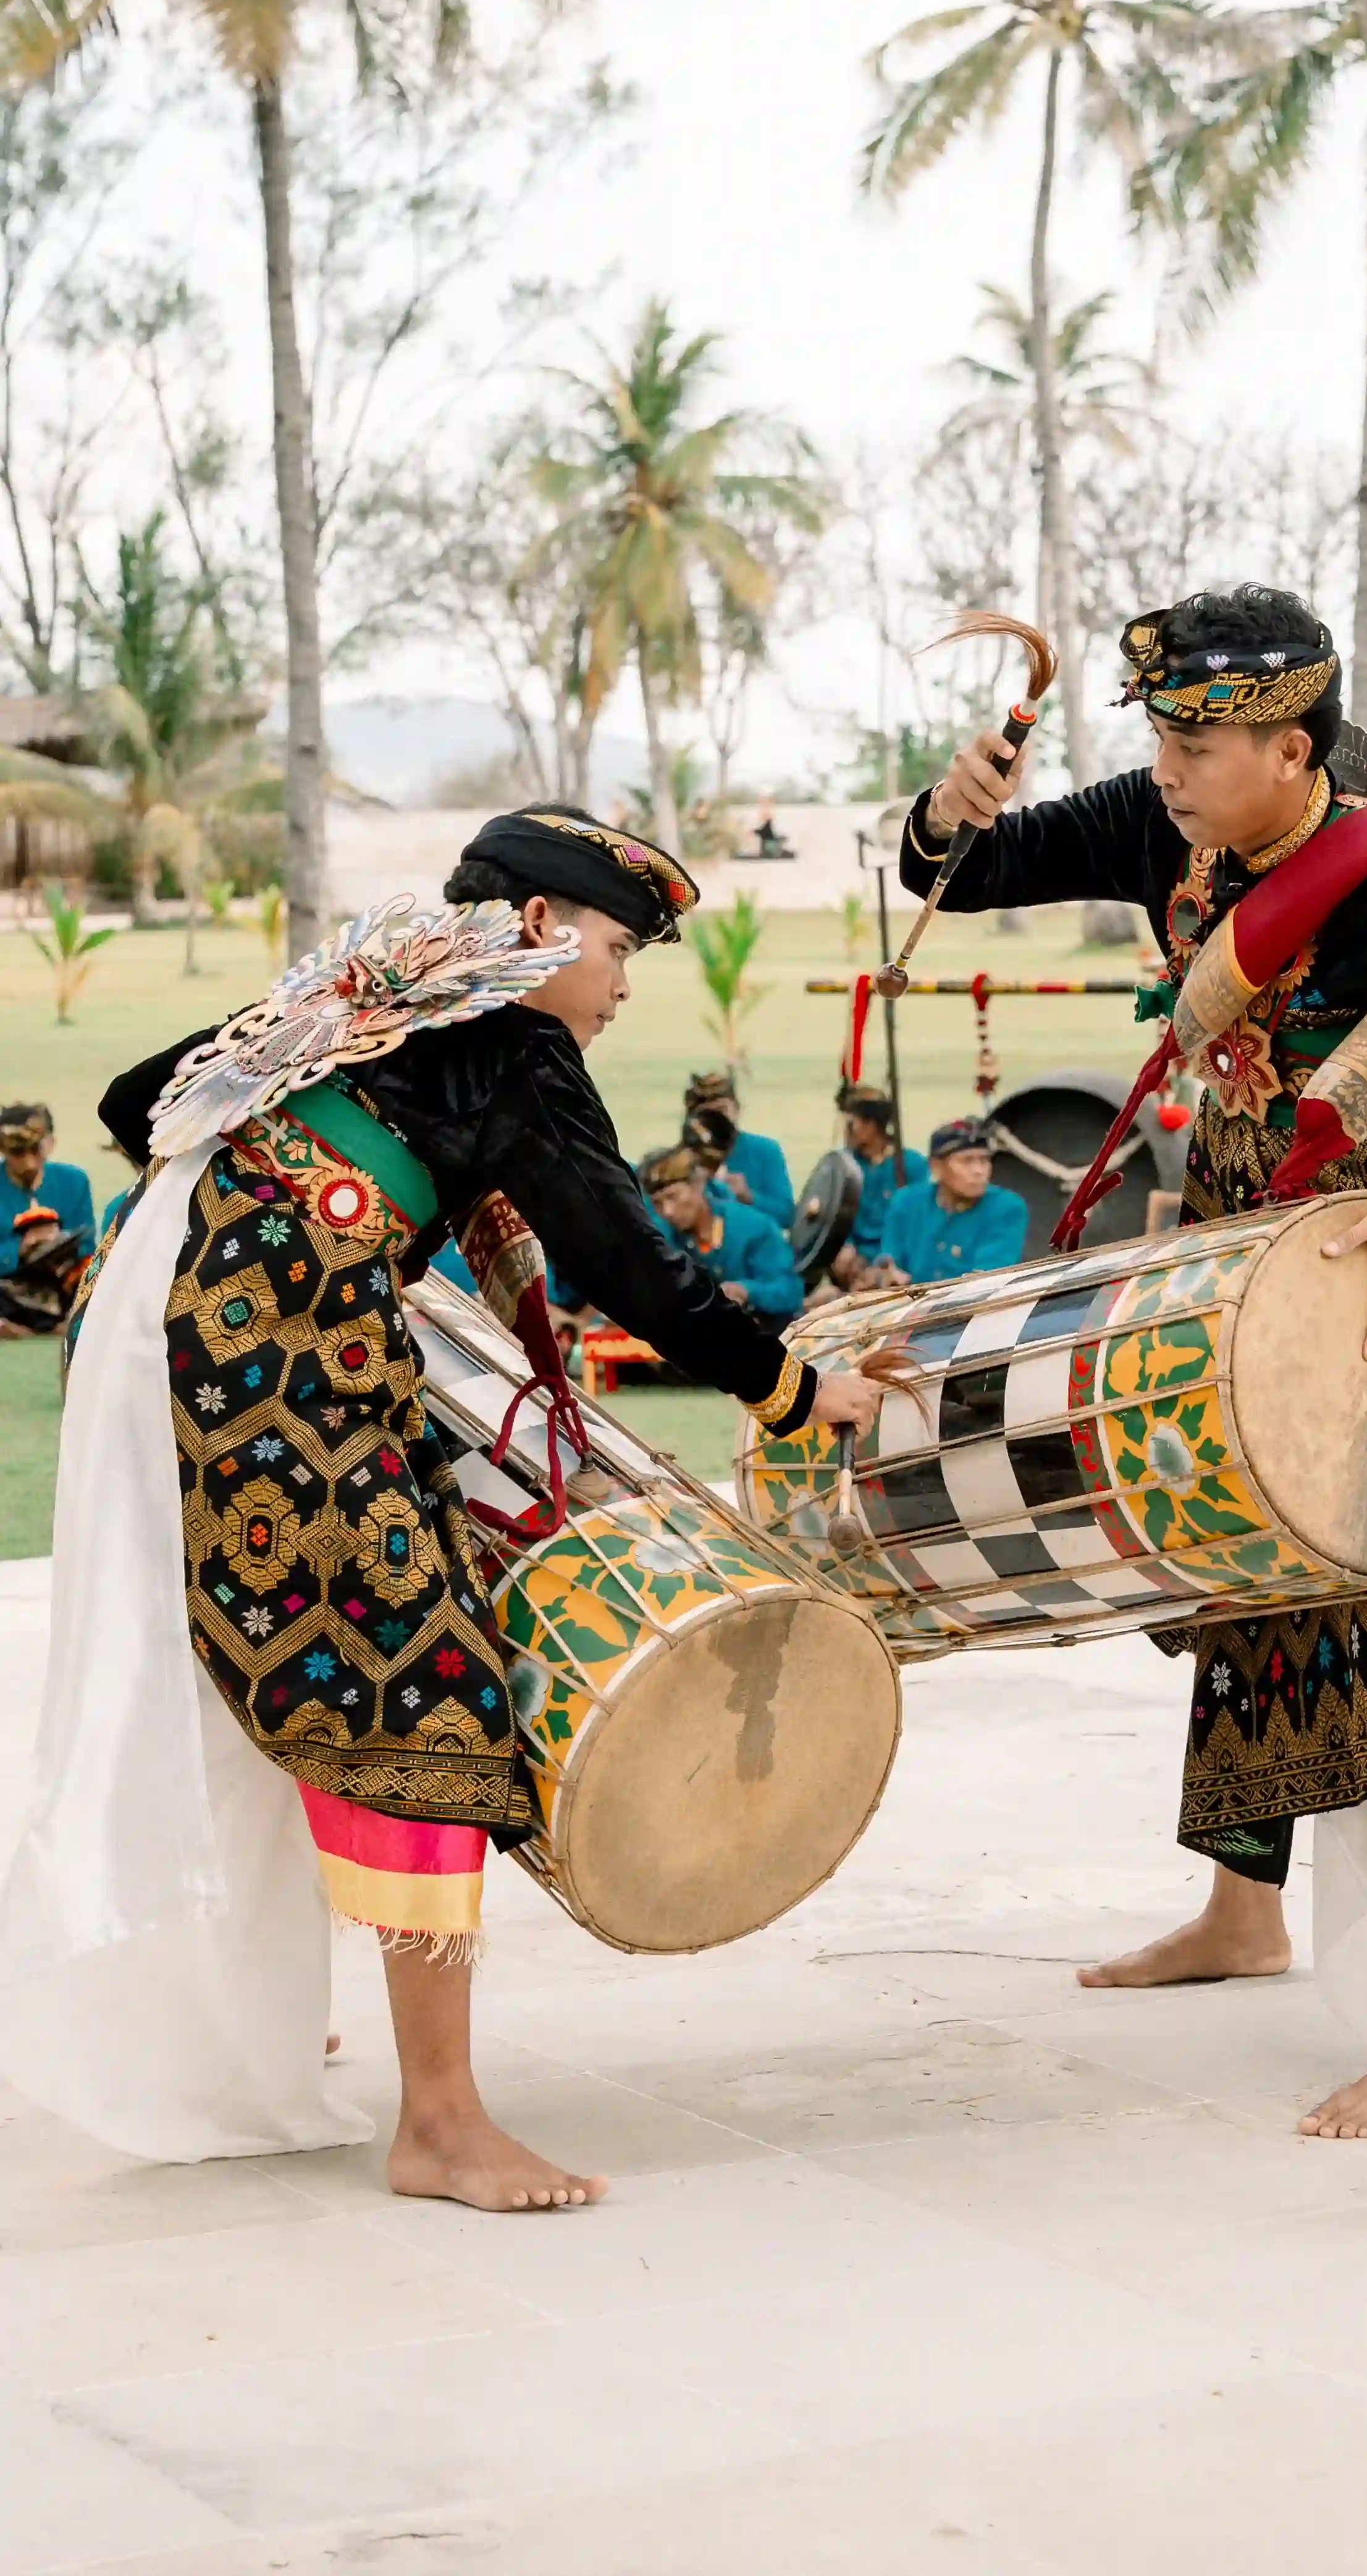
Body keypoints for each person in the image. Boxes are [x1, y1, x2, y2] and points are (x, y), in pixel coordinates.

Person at [0, 804, 880, 2211]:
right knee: (432, 1696)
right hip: (268, 1350)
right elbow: (634, 1267)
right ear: (537, 932)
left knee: (283, 1675)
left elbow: (135, 1104)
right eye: (612, 949)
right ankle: (441, 2122)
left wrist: (338, 1193)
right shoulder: (514, 1036)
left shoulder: (378, 985)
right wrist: (791, 1387)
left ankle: (281, 2021)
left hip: (177, 1320)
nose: (615, 987)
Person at [900, 582, 1367, 2142]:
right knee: (1249, 1577)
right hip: (1249, 1253)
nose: (1166, 764)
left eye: (1201, 738)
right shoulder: (1170, 825)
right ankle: (1242, 1913)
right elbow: (965, 878)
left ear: (1292, 750)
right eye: (1160, 734)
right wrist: (945, 808)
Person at [641, 1140, 805, 1320]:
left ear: (698, 1184)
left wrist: (746, 1291)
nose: (668, 1211)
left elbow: (791, 1291)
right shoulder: (663, 1238)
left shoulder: (751, 1227)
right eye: (657, 1203)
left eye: (673, 1196)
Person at [874, 1119, 1028, 1285]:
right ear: (936, 1167)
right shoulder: (906, 1202)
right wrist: (887, 1274)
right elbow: (890, 1258)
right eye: (967, 1161)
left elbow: (986, 1279)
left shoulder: (1008, 1208)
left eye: (984, 1160)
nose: (979, 1171)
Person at [0, 1103, 95, 1337]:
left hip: (62, 1284)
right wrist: (20, 1248)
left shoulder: (74, 1180)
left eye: (35, 1151)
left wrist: (57, 1243)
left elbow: (88, 1245)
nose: (29, 1163)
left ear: (50, 1143)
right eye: (18, 1153)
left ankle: (36, 1326)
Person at [830, 1085, 923, 1286]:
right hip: (854, 1257)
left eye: (851, 1124)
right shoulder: (843, 1165)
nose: (846, 1132)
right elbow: (833, 1215)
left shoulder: (911, 1164)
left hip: (896, 1258)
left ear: (870, 1126)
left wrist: (880, 1261)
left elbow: (918, 1221)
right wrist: (844, 1246)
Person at [682, 1067, 794, 1232]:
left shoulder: (765, 1151)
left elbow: (787, 1216)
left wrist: (748, 1197)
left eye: (722, 1111)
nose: (717, 1122)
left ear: (737, 1109)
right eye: (708, 1115)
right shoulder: (682, 1159)